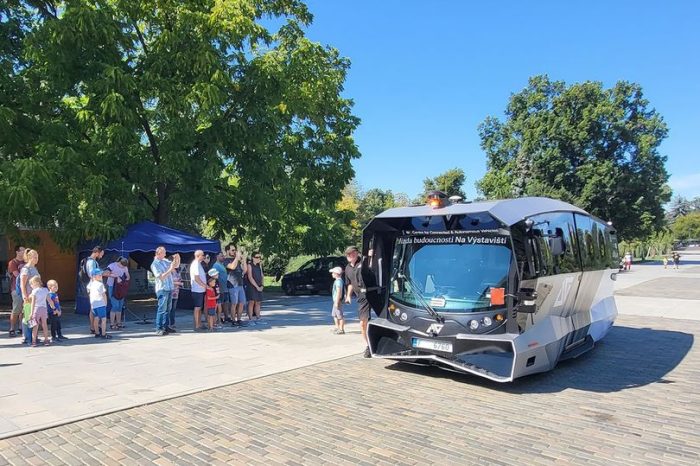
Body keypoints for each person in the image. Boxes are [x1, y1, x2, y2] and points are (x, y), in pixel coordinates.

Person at [344, 245, 373, 358]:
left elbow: (371, 267)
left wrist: (371, 257)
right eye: (348, 254)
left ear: (356, 253)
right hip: (361, 297)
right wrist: (348, 296)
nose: (350, 256)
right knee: (362, 323)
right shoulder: (347, 268)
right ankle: (368, 346)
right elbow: (350, 283)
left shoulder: (363, 262)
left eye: (352, 253)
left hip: (371, 292)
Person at [150, 247, 180, 336]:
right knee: (162, 309)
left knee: (168, 309)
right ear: (158, 253)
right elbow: (161, 277)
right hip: (162, 289)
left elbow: (176, 265)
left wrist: (177, 258)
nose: (165, 254)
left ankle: (166, 326)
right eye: (163, 253)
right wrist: (170, 269)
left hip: (169, 288)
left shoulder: (164, 261)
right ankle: (159, 328)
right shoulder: (154, 264)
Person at [85, 246, 109, 334]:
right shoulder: (91, 262)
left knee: (94, 307)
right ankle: (93, 327)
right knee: (93, 308)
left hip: (93, 286)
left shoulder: (92, 261)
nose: (102, 256)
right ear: (97, 252)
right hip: (94, 287)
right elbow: (92, 274)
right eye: (101, 254)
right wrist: (102, 275)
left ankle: (95, 327)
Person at [224, 243, 247, 327]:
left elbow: (244, 270)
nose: (234, 252)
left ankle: (239, 319)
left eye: (235, 250)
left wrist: (243, 259)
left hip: (240, 284)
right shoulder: (226, 260)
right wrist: (237, 257)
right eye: (232, 250)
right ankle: (233, 320)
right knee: (234, 303)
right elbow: (232, 267)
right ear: (227, 251)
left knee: (242, 303)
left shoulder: (236, 260)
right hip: (232, 285)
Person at [107, 257, 130, 330]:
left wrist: (126, 279)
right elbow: (106, 273)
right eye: (122, 266)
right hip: (112, 286)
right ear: (119, 262)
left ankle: (119, 322)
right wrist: (116, 276)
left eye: (124, 266)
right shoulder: (112, 266)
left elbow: (128, 276)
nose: (123, 267)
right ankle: (112, 323)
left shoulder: (125, 267)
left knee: (120, 305)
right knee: (115, 305)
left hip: (120, 287)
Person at [7, 245, 25, 337]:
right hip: (16, 288)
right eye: (22, 250)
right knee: (16, 309)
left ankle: (21, 328)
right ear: (17, 252)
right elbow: (16, 274)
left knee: (24, 309)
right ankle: (12, 328)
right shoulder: (13, 262)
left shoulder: (27, 262)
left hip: (26, 288)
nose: (24, 252)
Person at [87, 271, 110, 339]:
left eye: (101, 275)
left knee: (96, 318)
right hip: (100, 304)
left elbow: (89, 292)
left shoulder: (90, 284)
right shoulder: (100, 284)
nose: (101, 276)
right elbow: (103, 294)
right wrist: (105, 303)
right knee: (103, 319)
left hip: (94, 305)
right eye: (99, 275)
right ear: (94, 276)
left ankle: (97, 333)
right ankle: (103, 334)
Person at [29, 275, 50, 346]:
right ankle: (46, 340)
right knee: (45, 325)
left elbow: (33, 303)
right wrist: (53, 308)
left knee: (35, 326)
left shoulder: (34, 291)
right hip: (44, 309)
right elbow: (49, 300)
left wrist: (31, 313)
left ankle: (33, 341)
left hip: (36, 309)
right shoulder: (45, 290)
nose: (31, 286)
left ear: (36, 283)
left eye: (31, 284)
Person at [190, 250, 208, 331]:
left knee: (200, 307)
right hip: (197, 289)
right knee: (197, 307)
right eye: (202, 255)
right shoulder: (195, 264)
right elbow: (196, 278)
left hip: (200, 289)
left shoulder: (199, 264)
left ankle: (199, 323)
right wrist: (205, 286)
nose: (203, 256)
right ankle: (197, 325)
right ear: (198, 256)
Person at [246, 252, 265, 324]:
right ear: (253, 258)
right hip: (252, 286)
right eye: (257, 257)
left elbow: (262, 275)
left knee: (258, 302)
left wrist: (262, 285)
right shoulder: (249, 265)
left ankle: (258, 317)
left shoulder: (259, 265)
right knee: (251, 302)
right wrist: (256, 287)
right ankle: (250, 319)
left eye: (259, 257)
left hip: (259, 285)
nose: (258, 259)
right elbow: (250, 277)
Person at [212, 253, 230, 322]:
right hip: (220, 288)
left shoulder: (222, 265)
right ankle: (218, 319)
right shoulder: (215, 265)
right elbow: (214, 276)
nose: (223, 257)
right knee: (219, 304)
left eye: (223, 256)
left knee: (226, 303)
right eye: (221, 256)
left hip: (225, 287)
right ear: (217, 257)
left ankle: (226, 317)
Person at [329, 266, 345, 335]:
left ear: (337, 274)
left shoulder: (338, 281)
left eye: (333, 273)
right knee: (334, 315)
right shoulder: (337, 281)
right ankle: (337, 327)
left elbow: (339, 291)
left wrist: (337, 301)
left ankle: (341, 329)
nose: (332, 274)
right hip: (335, 301)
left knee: (339, 315)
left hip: (337, 301)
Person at [170, 263, 183, 330]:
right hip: (170, 292)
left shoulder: (177, 271)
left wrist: (180, 283)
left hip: (176, 292)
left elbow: (180, 280)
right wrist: (177, 283)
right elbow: (169, 281)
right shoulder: (169, 271)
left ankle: (172, 323)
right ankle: (168, 323)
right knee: (169, 308)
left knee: (173, 309)